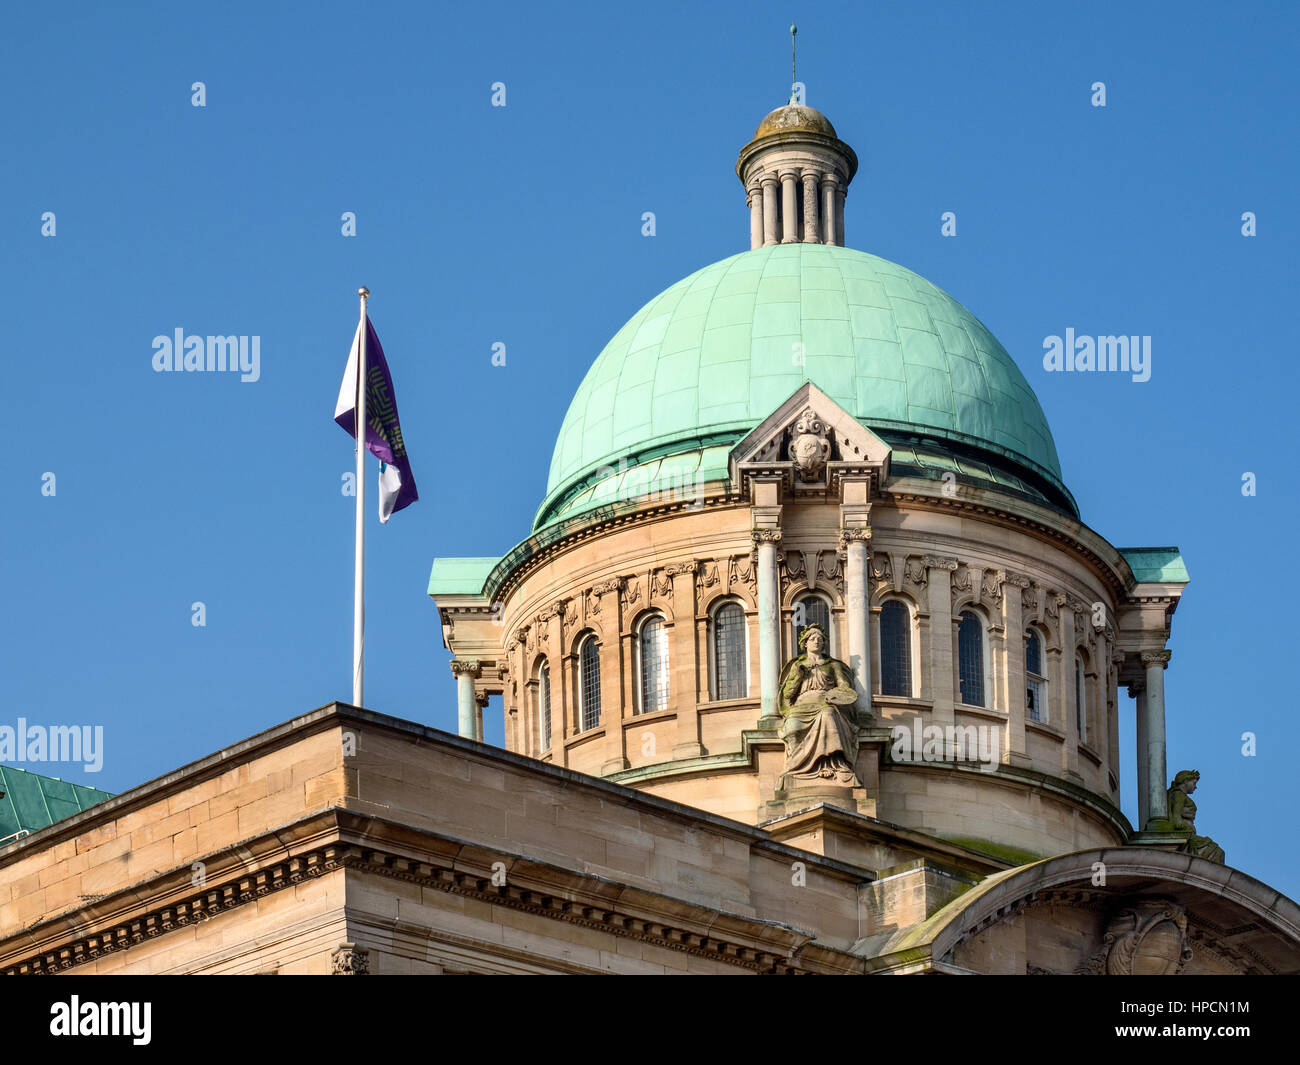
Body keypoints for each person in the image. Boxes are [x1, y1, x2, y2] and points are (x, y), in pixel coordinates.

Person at [777, 624, 861, 787]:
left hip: (825, 703)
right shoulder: (797, 666)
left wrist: (838, 694)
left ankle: (834, 764)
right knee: (793, 726)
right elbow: (787, 695)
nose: (816, 641)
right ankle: (795, 766)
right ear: (805, 643)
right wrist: (798, 677)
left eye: (820, 639)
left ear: (824, 644)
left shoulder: (833, 665)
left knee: (828, 715)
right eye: (812, 639)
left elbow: (844, 687)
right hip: (801, 706)